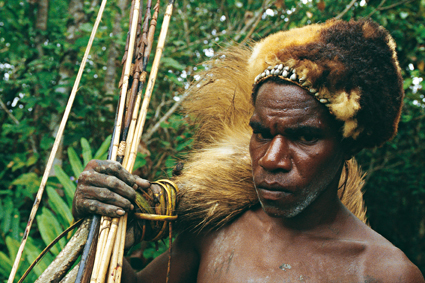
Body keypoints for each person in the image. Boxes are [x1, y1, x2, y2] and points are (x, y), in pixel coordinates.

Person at [72, 19, 425, 282]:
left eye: (303, 137)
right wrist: (98, 227)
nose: (271, 159)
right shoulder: (216, 231)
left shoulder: (383, 273)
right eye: (261, 133)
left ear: (349, 144)